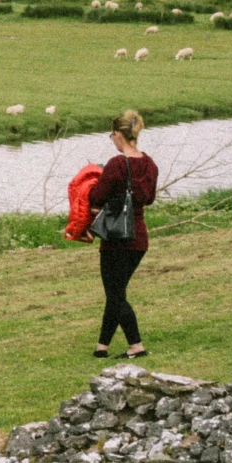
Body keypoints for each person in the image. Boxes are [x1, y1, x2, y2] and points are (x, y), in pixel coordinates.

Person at [91, 110, 158, 360]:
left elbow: (96, 196)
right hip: (138, 237)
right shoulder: (150, 164)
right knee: (116, 291)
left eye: (112, 135)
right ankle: (102, 346)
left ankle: (136, 345)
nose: (112, 140)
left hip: (116, 237)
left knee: (115, 293)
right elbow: (148, 199)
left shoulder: (117, 164)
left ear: (119, 135)